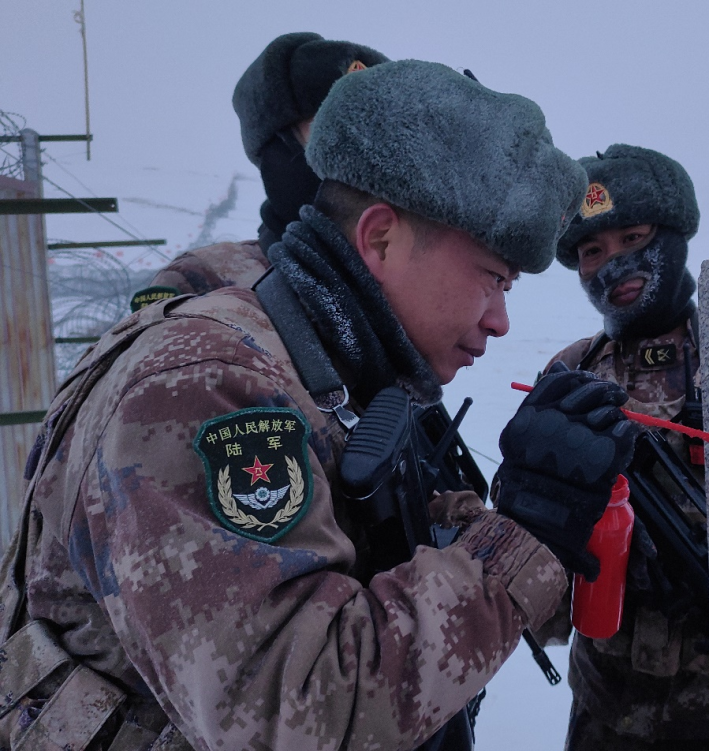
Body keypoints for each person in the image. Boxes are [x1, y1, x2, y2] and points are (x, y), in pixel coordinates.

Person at [0, 61, 640, 751]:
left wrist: (538, 517)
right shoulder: (206, 387)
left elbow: (369, 538)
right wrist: (523, 533)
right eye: (492, 278)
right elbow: (290, 710)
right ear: (380, 237)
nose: (500, 320)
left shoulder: (323, 372)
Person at [543, 144, 709, 750]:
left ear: (671, 238)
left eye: (633, 238)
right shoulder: (570, 372)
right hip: (604, 703)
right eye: (592, 251)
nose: (614, 265)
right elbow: (525, 525)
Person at [131, 32, 388, 307]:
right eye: (333, 133)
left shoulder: (420, 272)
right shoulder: (205, 283)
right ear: (279, 154)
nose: (366, 152)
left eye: (384, 131)